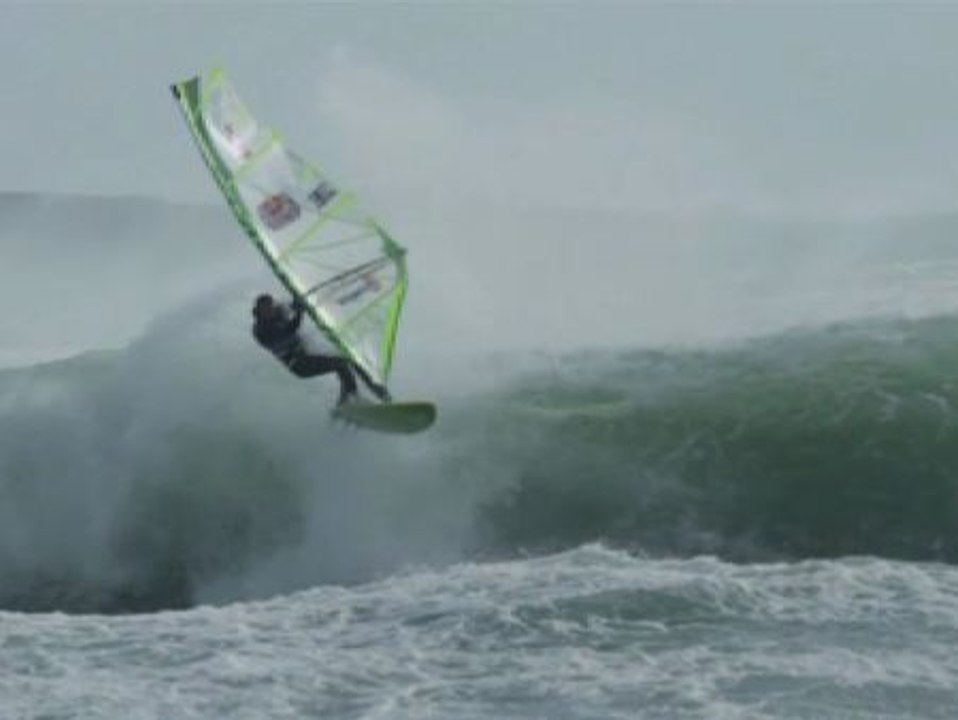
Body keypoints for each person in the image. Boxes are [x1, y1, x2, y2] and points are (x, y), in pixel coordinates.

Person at [252, 293, 390, 406]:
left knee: (350, 358)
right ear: (259, 311)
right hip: (299, 365)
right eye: (266, 310)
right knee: (341, 364)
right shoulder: (261, 330)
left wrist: (296, 302)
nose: (270, 311)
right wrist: (300, 312)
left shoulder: (277, 311)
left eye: (271, 307)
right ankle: (349, 399)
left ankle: (378, 391)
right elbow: (289, 330)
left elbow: (288, 306)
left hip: (307, 355)